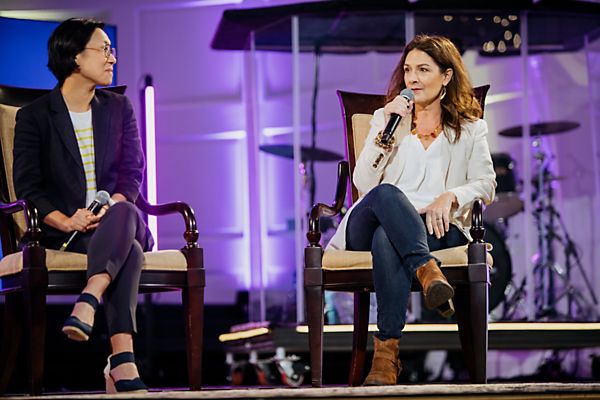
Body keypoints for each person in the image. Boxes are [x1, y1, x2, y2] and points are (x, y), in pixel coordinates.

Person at [326, 34, 496, 385]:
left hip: (433, 225)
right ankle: (426, 270)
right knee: (387, 194)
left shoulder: (470, 128)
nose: (412, 79)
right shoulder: (385, 120)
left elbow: (486, 183)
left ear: (447, 76)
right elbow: (364, 184)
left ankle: (386, 356)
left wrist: (450, 196)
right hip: (372, 216)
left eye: (423, 69)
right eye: (407, 70)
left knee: (388, 238)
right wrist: (385, 135)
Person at [13, 18, 150, 393]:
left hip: (119, 218)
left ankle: (89, 297)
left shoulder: (119, 108)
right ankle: (122, 363)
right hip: (66, 234)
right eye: (103, 49)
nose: (112, 58)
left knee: (124, 212)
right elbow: (29, 188)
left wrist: (114, 206)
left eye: (112, 49)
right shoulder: (35, 117)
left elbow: (131, 175)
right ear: (75, 57)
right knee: (131, 251)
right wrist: (65, 220)